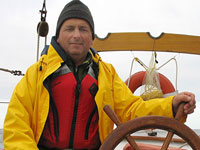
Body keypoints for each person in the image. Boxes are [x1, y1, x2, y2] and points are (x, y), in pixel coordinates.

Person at [3, 0, 196, 149]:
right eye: (69, 28)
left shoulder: (106, 74)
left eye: (83, 29)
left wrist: (171, 105)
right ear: (58, 36)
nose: (76, 35)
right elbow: (16, 128)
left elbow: (131, 110)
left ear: (92, 38)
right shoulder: (35, 74)